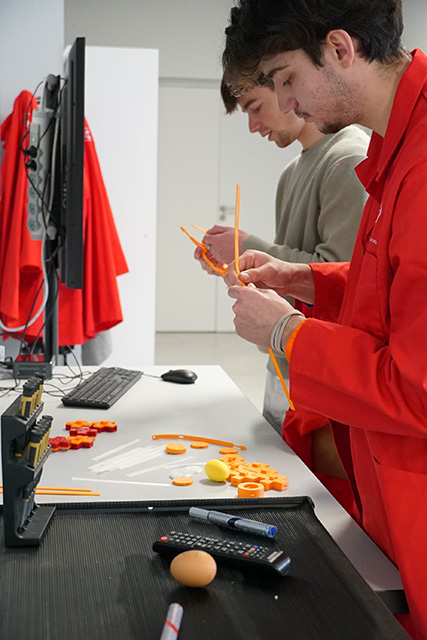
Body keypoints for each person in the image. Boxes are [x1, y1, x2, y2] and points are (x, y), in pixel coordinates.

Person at [222, 1, 427, 638]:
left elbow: (416, 388)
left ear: (340, 48)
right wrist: (306, 279)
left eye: (286, 78)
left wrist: (287, 333)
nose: (286, 102)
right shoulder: (396, 147)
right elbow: (390, 293)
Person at [195, 77, 368, 511]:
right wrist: (241, 265)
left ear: (285, 84)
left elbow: (345, 276)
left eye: (256, 106)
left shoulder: (348, 158)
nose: (253, 126)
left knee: (321, 512)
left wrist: (250, 245)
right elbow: (298, 270)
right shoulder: (294, 170)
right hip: (285, 363)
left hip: (321, 372)